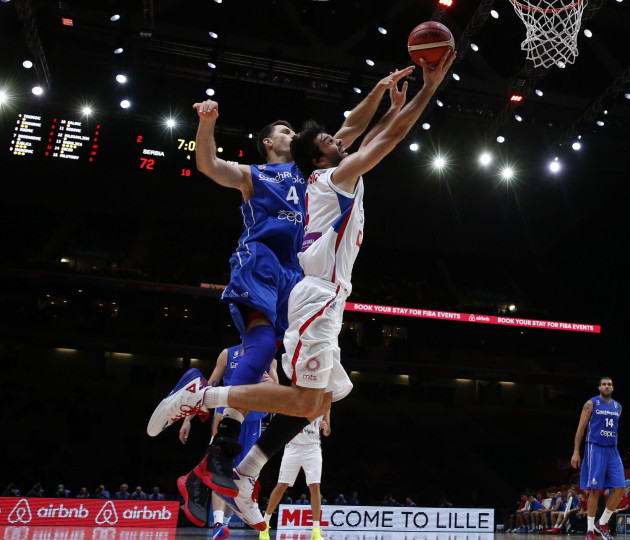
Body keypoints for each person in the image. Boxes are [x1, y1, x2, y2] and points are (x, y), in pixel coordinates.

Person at [148, 52, 454, 530]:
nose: (339, 139)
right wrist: (428, 86)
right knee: (291, 383)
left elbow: (366, 131)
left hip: (313, 291)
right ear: (317, 155)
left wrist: (388, 101)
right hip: (303, 290)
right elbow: (386, 137)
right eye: (331, 141)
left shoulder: (321, 173)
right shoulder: (331, 177)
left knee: (322, 400)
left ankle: (246, 474)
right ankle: (203, 400)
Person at [178, 343, 275, 537]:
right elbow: (209, 386)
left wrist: (271, 382)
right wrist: (188, 419)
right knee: (220, 470)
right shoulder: (227, 354)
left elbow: (276, 387)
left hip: (254, 417)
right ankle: (218, 524)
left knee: (240, 477)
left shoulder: (269, 354)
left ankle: (226, 524)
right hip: (226, 415)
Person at [261, 411, 331, 540]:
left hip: (313, 448)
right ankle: (264, 524)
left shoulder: (325, 403)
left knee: (315, 487)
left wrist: (326, 428)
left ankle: (316, 530)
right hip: (292, 446)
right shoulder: (299, 398)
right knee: (281, 485)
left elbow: (327, 431)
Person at [571, 376, 626, 540]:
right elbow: (580, 429)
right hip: (595, 448)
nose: (607, 387)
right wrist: (576, 451)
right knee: (595, 490)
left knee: (620, 487)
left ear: (613, 388)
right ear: (599, 388)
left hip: (612, 450)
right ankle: (589, 532)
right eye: (604, 384)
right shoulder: (591, 403)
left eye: (609, 384)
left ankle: (602, 523)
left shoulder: (618, 406)